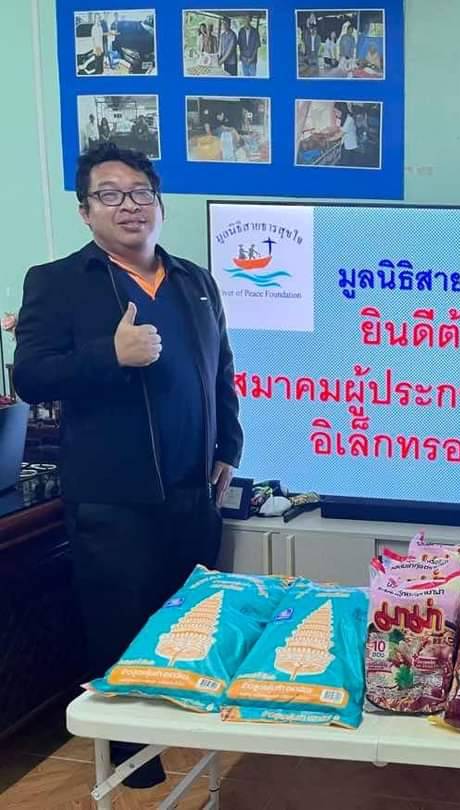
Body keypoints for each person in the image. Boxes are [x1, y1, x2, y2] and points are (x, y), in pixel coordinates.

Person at [13, 143, 242, 789]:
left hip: (192, 492)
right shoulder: (57, 282)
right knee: (119, 629)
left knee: (188, 624)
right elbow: (30, 376)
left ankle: (185, 732)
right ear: (85, 211)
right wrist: (109, 355)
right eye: (109, 195)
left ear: (159, 203)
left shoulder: (194, 281)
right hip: (112, 500)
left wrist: (228, 448)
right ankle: (128, 757)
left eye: (141, 192)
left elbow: (221, 370)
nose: (129, 206)